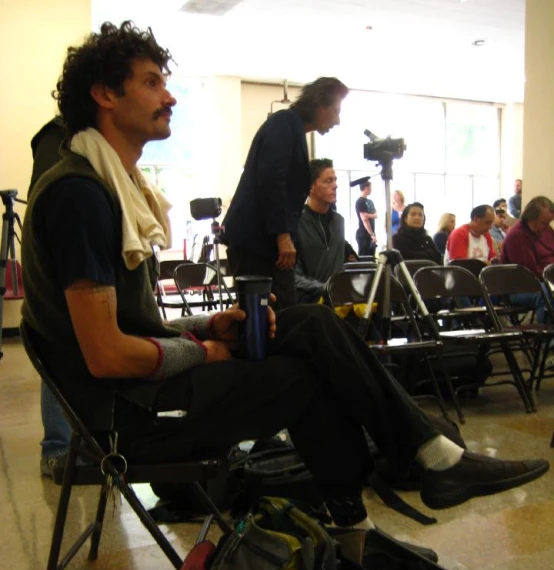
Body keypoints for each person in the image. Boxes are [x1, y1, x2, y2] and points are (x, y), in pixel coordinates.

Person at [21, 21, 548, 531]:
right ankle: (369, 516)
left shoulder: (112, 188)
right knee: (309, 378)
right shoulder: (82, 195)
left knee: (307, 325)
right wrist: (204, 351)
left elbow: (136, 328)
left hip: (143, 394)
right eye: (152, 82)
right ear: (105, 95)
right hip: (126, 420)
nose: (170, 96)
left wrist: (208, 327)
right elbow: (107, 354)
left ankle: (422, 462)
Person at [222, 77, 349, 311]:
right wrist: (283, 236)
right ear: (320, 105)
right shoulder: (284, 124)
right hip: (257, 242)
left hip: (262, 242)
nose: (337, 120)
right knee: (268, 319)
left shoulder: (292, 128)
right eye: (336, 111)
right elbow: (271, 180)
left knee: (279, 316)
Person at [27, 116, 72, 477]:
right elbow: (49, 206)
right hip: (62, 275)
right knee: (60, 357)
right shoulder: (56, 137)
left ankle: (84, 445)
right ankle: (56, 449)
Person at [294, 158, 357, 304]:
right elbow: (293, 278)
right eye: (328, 181)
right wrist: (325, 288)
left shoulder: (338, 222)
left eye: (335, 180)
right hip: (310, 298)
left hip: (338, 297)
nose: (335, 186)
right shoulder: (297, 223)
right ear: (310, 187)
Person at [500, 196, 554, 322]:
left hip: (547, 281)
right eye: (544, 223)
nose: (547, 227)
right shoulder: (518, 236)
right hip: (521, 288)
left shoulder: (547, 231)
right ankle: (548, 339)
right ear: (531, 218)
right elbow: (530, 274)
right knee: (547, 294)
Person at [352, 176, 377, 257]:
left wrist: (369, 215)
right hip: (363, 234)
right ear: (366, 188)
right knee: (364, 258)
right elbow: (364, 219)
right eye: (370, 187)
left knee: (371, 257)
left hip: (370, 234)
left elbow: (376, 215)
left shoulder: (370, 201)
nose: (371, 189)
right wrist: (371, 234)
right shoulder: (360, 202)